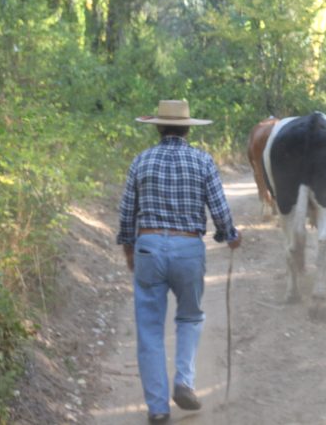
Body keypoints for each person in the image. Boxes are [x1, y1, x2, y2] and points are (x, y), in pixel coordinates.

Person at [117, 99, 241, 424]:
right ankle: (184, 380)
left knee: (149, 330)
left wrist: (130, 249)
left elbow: (127, 213)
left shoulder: (141, 161)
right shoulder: (202, 161)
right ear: (188, 129)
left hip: (149, 246)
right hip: (188, 248)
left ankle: (158, 409)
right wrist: (229, 234)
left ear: (159, 127)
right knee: (189, 317)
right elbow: (219, 207)